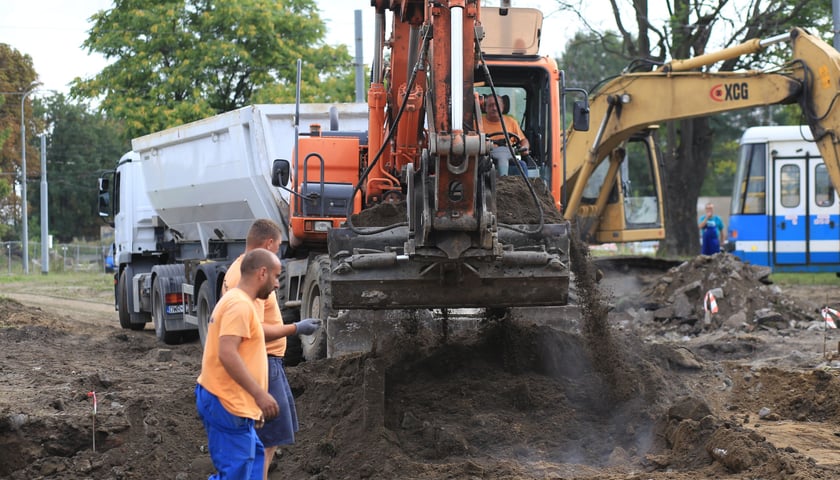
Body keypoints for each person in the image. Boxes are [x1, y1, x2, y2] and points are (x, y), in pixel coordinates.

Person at [222, 218, 321, 479]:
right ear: (267, 245)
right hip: (261, 363)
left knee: (267, 439)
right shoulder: (248, 280)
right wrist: (296, 328)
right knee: (264, 440)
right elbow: (252, 331)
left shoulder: (239, 269)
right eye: (276, 249)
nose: (277, 282)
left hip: (267, 362)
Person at [195, 247, 282, 480]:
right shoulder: (239, 305)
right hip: (226, 402)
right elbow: (227, 353)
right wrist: (260, 395)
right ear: (262, 273)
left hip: (235, 403)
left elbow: (242, 354)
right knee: (236, 474)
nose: (277, 285)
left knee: (252, 466)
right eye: (276, 277)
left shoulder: (240, 301)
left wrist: (254, 405)